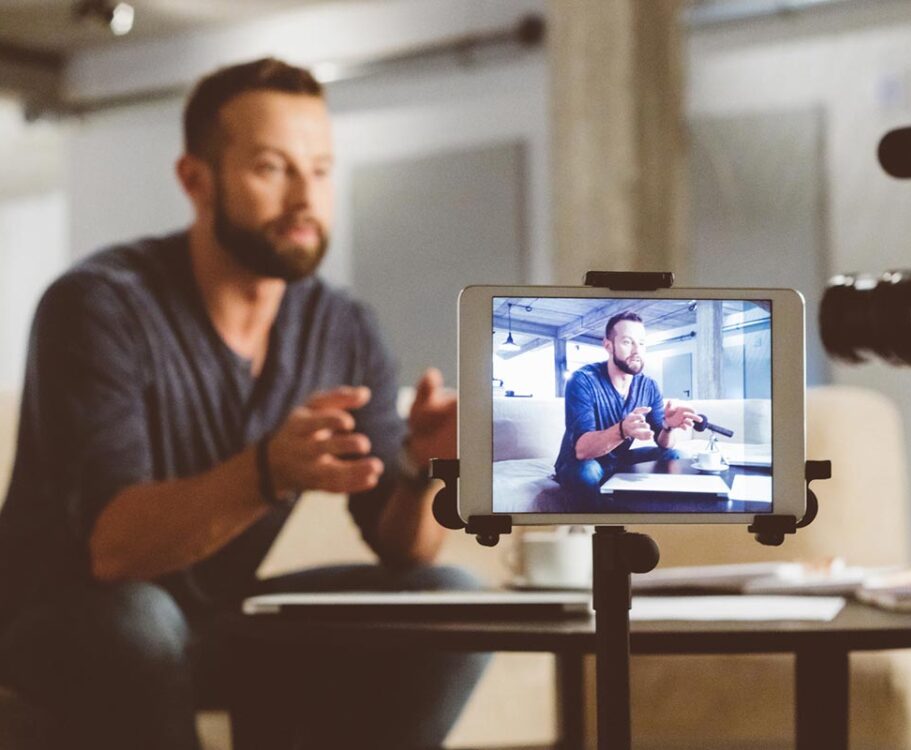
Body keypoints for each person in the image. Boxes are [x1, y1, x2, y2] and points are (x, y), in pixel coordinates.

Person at [0, 58, 486, 750]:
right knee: (137, 622)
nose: (305, 200)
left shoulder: (342, 325)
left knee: (452, 598)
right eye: (271, 168)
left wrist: (419, 465)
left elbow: (401, 546)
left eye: (319, 170)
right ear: (197, 182)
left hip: (220, 618)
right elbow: (113, 553)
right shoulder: (97, 306)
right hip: (65, 620)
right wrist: (269, 471)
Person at [554, 311, 700, 502]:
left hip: (619, 460)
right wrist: (622, 430)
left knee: (676, 455)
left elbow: (664, 443)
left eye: (641, 343)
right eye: (627, 342)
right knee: (586, 473)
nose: (636, 350)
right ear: (608, 346)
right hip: (580, 463)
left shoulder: (648, 386)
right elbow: (582, 450)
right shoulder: (582, 380)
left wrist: (667, 426)